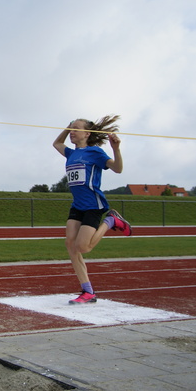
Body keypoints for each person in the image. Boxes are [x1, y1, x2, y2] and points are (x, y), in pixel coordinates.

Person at [52, 115, 132, 305]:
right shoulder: (71, 154)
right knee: (71, 246)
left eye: (76, 129)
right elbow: (56, 143)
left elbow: (118, 169)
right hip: (77, 205)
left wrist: (116, 149)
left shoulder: (95, 152)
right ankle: (88, 292)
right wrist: (67, 126)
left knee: (83, 247)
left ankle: (111, 221)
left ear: (87, 133)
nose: (72, 132)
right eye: (71, 129)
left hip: (93, 205)